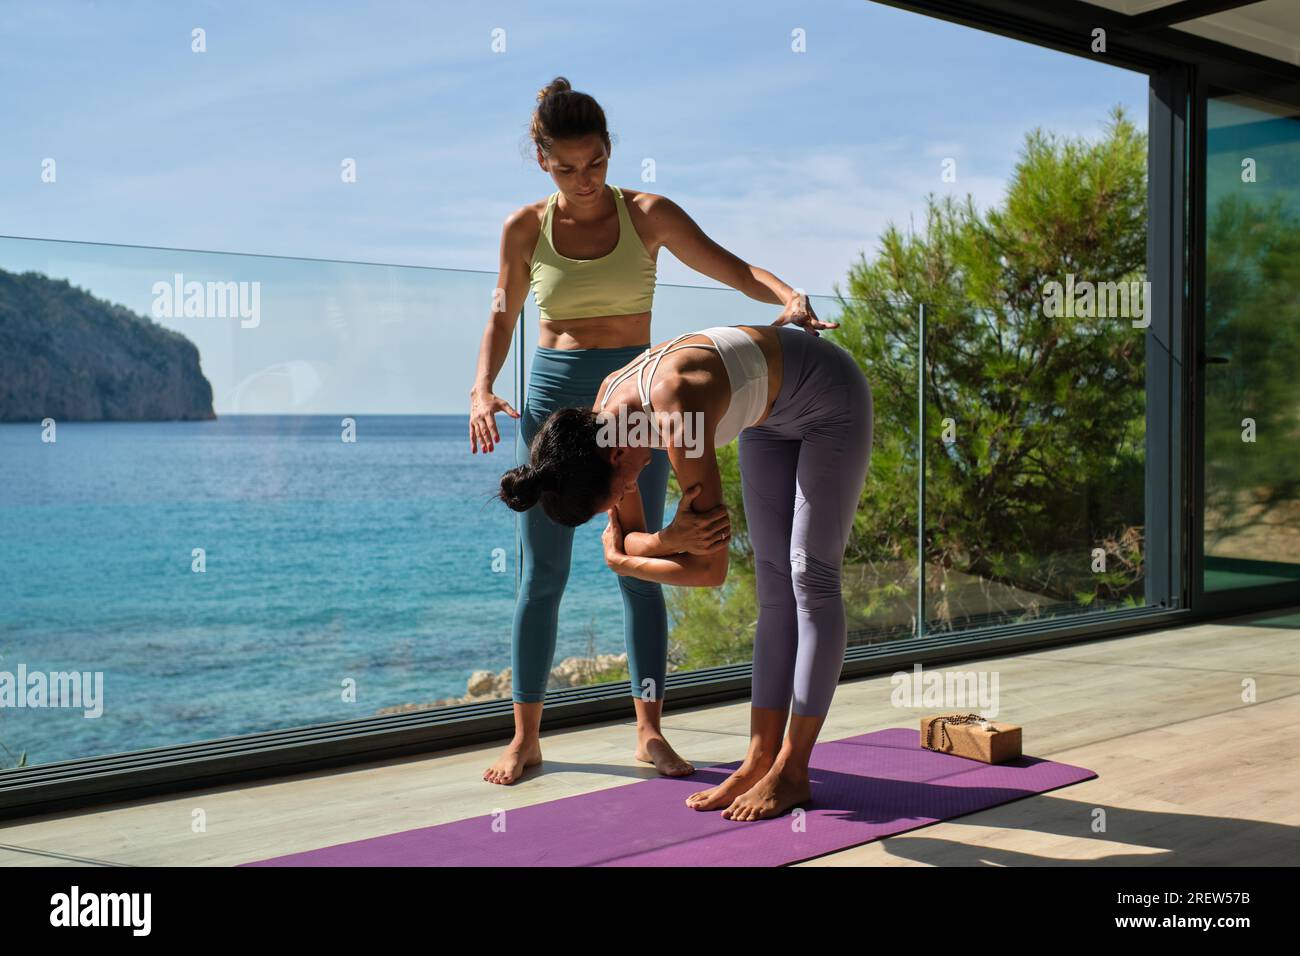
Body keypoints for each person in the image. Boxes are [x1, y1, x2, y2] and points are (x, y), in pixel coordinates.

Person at [469, 77, 820, 786]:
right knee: (544, 573)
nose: (583, 180)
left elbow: (728, 264)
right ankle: (526, 737)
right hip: (552, 403)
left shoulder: (649, 215)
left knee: (642, 564)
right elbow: (503, 318)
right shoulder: (523, 229)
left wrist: (787, 294)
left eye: (594, 163)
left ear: (609, 149)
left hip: (636, 406)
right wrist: (482, 387)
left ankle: (650, 732)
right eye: (566, 168)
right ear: (542, 161)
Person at [497, 323, 873, 820]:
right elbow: (638, 537)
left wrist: (625, 559)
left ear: (614, 458)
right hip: (767, 419)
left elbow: (709, 570)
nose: (626, 495)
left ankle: (794, 769)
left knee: (810, 575)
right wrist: (666, 540)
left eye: (614, 493)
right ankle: (760, 758)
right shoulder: (605, 416)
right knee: (773, 585)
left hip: (829, 399)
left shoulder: (677, 413)